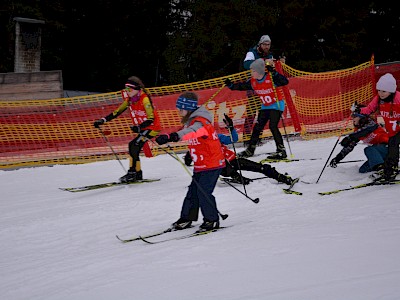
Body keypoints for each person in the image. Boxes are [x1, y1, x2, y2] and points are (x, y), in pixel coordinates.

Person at [155, 92, 225, 232]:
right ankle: (187, 218)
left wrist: (173, 137)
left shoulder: (201, 123)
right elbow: (193, 138)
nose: (179, 112)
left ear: (189, 108)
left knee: (204, 192)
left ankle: (212, 220)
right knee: (193, 192)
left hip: (212, 164)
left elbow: (191, 132)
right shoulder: (191, 121)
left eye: (181, 109)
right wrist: (168, 137)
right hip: (201, 164)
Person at [184, 114, 298, 187]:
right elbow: (195, 158)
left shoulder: (215, 136)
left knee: (261, 167)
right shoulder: (197, 142)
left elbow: (233, 139)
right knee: (225, 167)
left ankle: (281, 178)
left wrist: (231, 128)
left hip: (233, 159)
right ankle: (238, 177)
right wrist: (189, 157)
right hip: (220, 166)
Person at [94, 76, 161, 183]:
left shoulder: (144, 99)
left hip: (153, 127)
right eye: (126, 89)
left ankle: (133, 173)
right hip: (143, 128)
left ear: (136, 89)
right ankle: (137, 173)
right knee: (134, 147)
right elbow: (117, 112)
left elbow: (151, 119)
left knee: (133, 145)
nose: (127, 91)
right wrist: (102, 120)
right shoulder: (130, 100)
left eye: (129, 89)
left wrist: (139, 127)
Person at [225, 58, 289, 159]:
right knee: (257, 127)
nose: (252, 73)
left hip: (276, 105)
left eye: (253, 71)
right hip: (265, 106)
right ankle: (250, 150)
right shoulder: (253, 81)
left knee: (273, 126)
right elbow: (242, 86)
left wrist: (274, 73)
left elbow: (284, 82)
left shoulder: (270, 77)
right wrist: (231, 85)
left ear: (259, 71)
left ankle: (281, 150)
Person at [242, 35, 286, 146]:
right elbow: (246, 64)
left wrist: (277, 64)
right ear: (260, 44)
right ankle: (246, 138)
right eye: (265, 44)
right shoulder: (251, 53)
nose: (267, 47)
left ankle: (257, 137)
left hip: (265, 87)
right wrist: (263, 61)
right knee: (251, 112)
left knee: (262, 114)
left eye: (268, 45)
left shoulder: (269, 55)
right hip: (254, 85)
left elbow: (270, 68)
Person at [356, 73, 400, 182]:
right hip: (392, 130)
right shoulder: (378, 99)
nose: (381, 93)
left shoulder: (398, 98)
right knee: (392, 147)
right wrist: (358, 110)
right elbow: (369, 109)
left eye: (384, 91)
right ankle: (390, 169)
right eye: (379, 90)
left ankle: (391, 169)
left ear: (391, 91)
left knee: (393, 145)